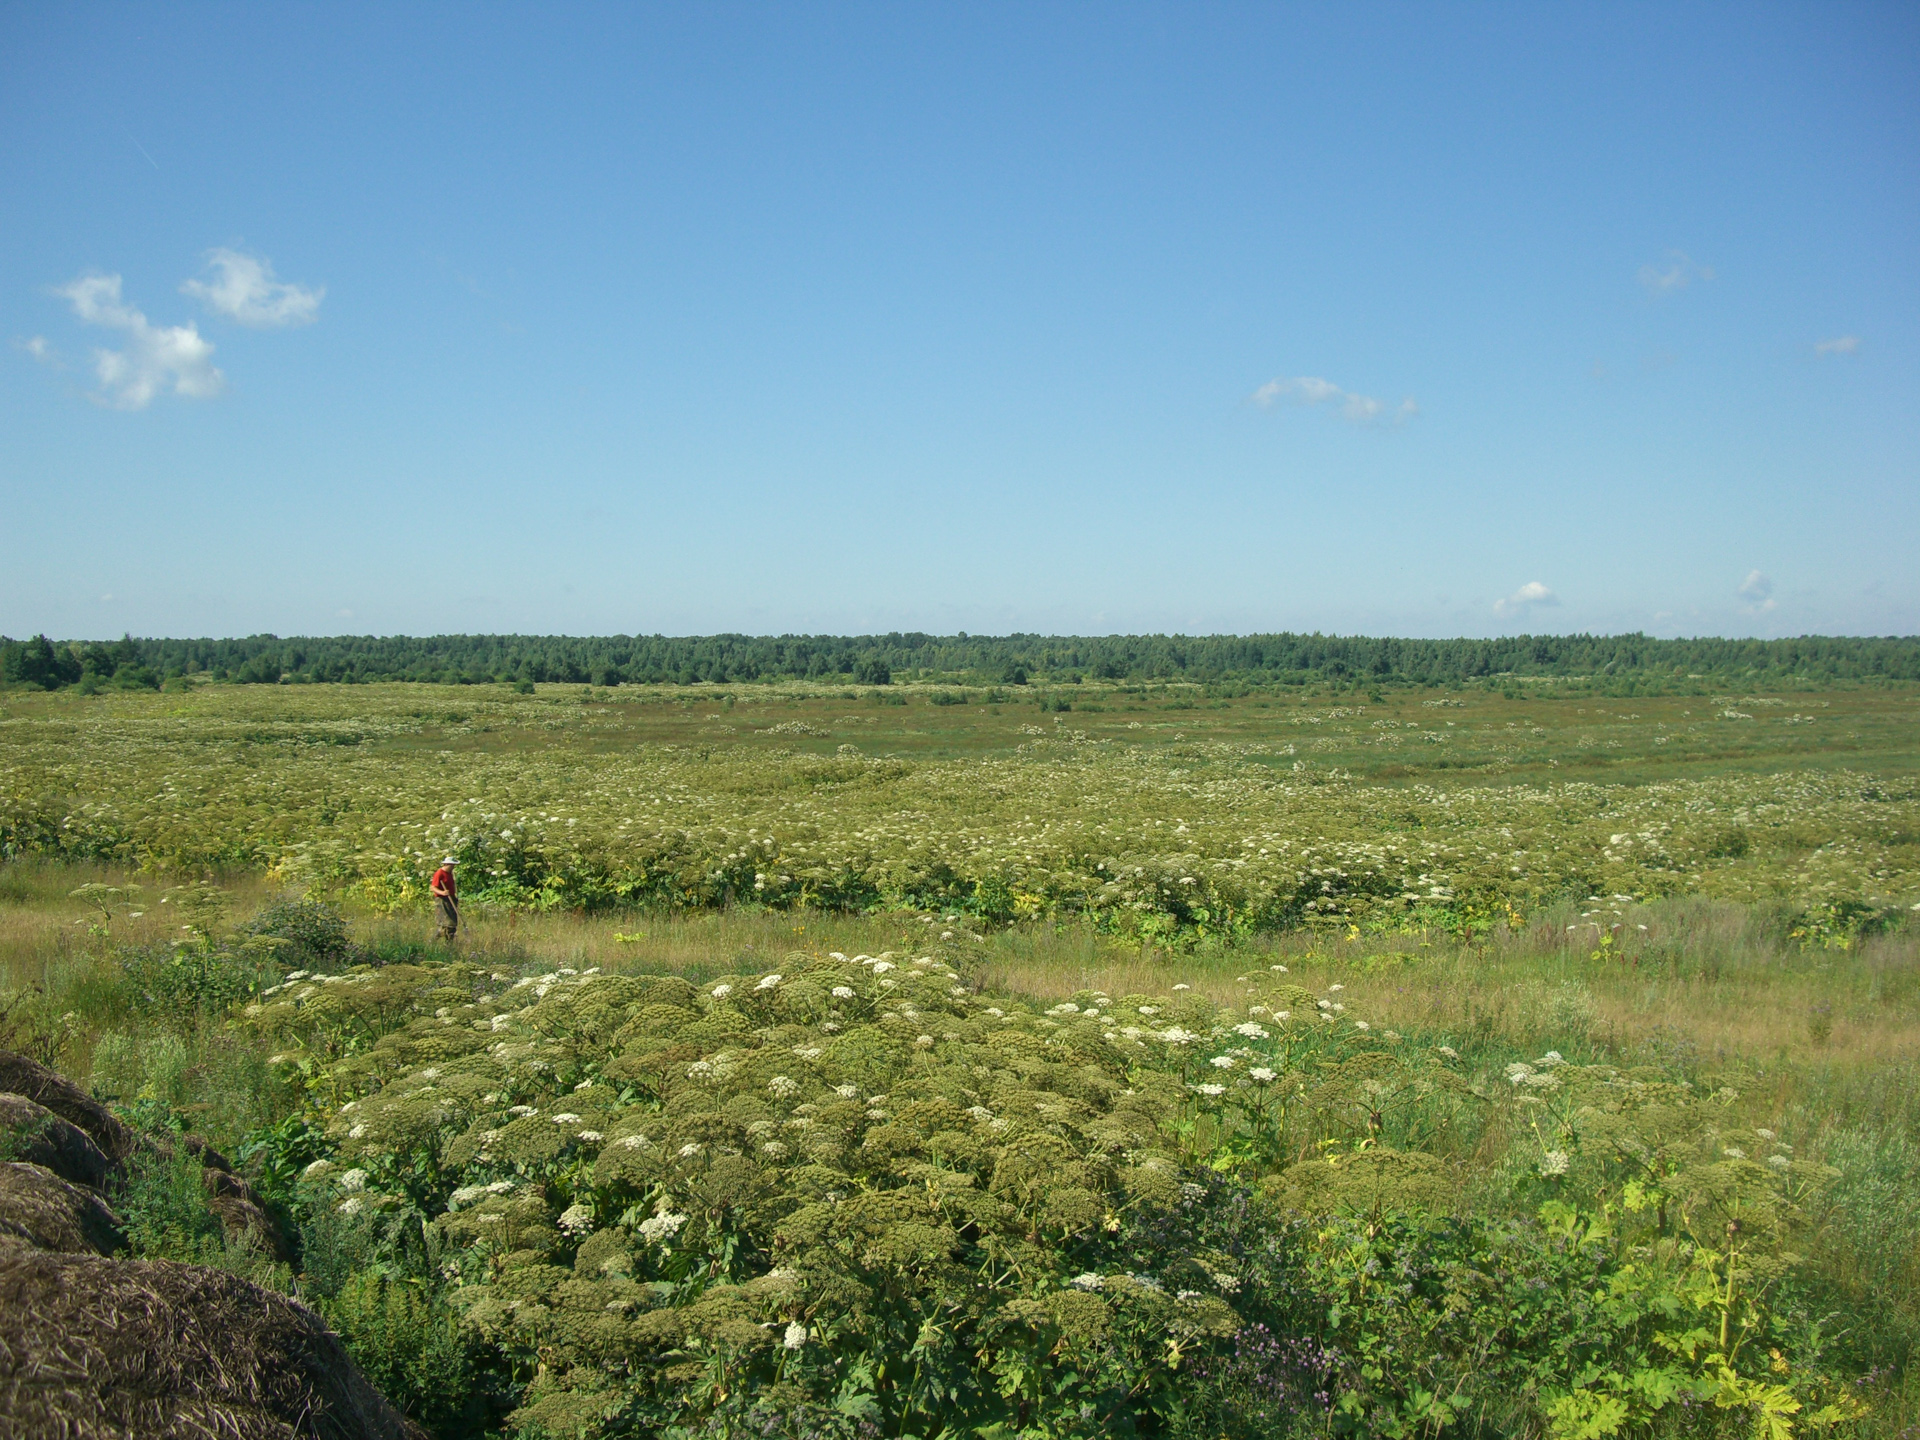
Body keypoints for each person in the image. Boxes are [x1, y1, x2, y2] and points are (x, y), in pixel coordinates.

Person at [430, 856, 459, 941]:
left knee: (452, 925)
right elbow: (433, 887)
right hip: (442, 900)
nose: (453, 867)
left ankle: (449, 944)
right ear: (446, 864)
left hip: (451, 899)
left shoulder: (450, 873)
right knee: (447, 924)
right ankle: (433, 940)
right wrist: (442, 892)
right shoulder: (439, 873)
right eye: (452, 865)